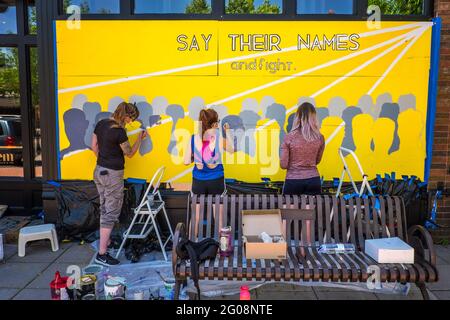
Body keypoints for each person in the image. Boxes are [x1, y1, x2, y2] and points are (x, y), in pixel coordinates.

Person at [91, 102, 147, 266]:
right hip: (112, 174)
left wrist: (103, 159)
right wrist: (139, 139)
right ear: (126, 116)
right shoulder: (119, 131)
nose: (131, 122)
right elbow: (129, 153)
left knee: (104, 206)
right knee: (111, 211)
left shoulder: (101, 124)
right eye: (131, 119)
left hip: (99, 170)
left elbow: (94, 146)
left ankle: (105, 242)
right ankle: (102, 254)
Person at [184, 108, 234, 196]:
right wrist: (228, 132)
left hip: (198, 180)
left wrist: (195, 157)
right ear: (214, 124)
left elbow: (186, 162)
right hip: (216, 179)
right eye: (217, 121)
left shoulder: (193, 138)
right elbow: (232, 149)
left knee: (198, 209)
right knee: (217, 209)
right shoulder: (219, 139)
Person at [280, 102, 325, 196]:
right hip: (313, 180)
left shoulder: (289, 137)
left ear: (298, 117)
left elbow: (283, 164)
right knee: (310, 210)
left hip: (293, 180)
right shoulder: (320, 137)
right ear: (314, 117)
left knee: (291, 210)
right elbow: (317, 161)